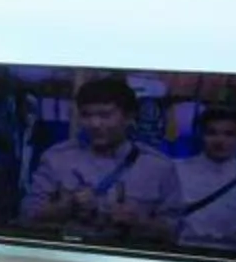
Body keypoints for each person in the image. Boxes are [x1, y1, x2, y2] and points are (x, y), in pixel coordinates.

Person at [21, 75, 177, 233]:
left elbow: (175, 231)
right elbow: (28, 215)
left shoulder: (158, 167)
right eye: (86, 115)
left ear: (129, 117)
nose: (94, 124)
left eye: (105, 115)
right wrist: (66, 207)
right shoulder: (56, 158)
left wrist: (138, 222)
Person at [165, 104, 236, 256]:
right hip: (180, 253)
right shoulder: (175, 170)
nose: (220, 140)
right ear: (200, 135)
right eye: (212, 133)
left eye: (229, 134)